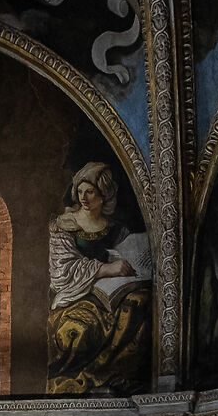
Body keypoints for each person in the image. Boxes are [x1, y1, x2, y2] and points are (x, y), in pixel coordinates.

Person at [45, 163, 153, 394]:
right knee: (79, 329)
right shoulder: (64, 225)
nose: (83, 197)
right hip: (76, 296)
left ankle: (114, 379)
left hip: (115, 291)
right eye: (80, 191)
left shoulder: (116, 229)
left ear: (104, 195)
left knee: (140, 305)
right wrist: (106, 269)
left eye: (90, 192)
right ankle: (77, 383)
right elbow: (61, 271)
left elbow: (130, 255)